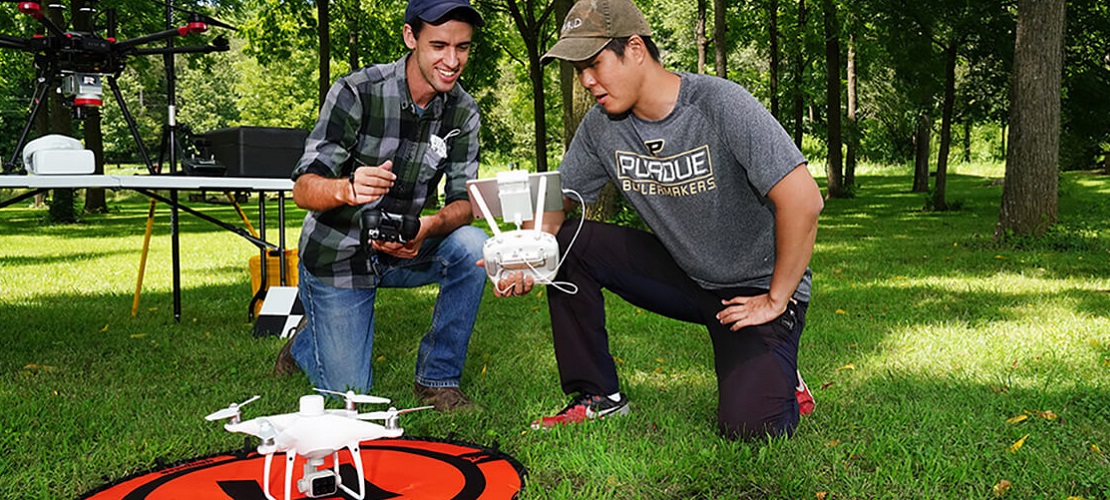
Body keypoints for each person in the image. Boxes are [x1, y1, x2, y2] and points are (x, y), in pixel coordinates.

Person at [495, 0, 822, 439]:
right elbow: (557, 205)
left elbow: (804, 201)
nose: (587, 81)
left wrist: (777, 298)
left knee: (750, 428)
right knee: (567, 243)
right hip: (685, 275)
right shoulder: (600, 127)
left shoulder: (719, 103)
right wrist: (525, 256)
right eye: (578, 70)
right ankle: (596, 397)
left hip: (752, 291)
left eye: (593, 63)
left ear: (634, 48)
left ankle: (783, 374)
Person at [275, 0, 488, 412]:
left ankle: (437, 380)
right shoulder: (357, 91)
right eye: (439, 45)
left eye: (462, 47)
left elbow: (466, 202)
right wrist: (346, 189)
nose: (451, 60)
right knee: (353, 400)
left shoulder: (464, 110)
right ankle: (303, 345)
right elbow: (304, 188)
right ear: (411, 38)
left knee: (472, 247)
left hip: (407, 245)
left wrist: (427, 228)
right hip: (339, 254)